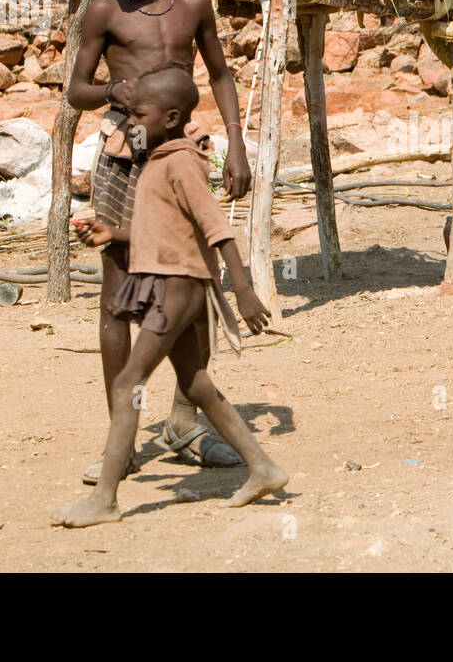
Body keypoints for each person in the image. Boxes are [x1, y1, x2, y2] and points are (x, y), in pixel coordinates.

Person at [53, 67, 287, 527]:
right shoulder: (160, 159)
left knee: (127, 382)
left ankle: (105, 499)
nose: (131, 123)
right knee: (197, 383)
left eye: (139, 114)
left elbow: (215, 226)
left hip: (176, 288)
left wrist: (242, 289)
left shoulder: (180, 162)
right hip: (167, 282)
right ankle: (263, 468)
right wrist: (113, 233)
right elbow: (164, 229)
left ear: (173, 116)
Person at [67, 0, 252, 482]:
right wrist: (112, 95)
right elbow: (76, 89)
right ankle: (118, 437)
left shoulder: (194, 6)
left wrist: (238, 144)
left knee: (191, 289)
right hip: (124, 157)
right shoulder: (103, 12)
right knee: (118, 295)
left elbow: (219, 73)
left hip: (182, 156)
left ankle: (184, 421)